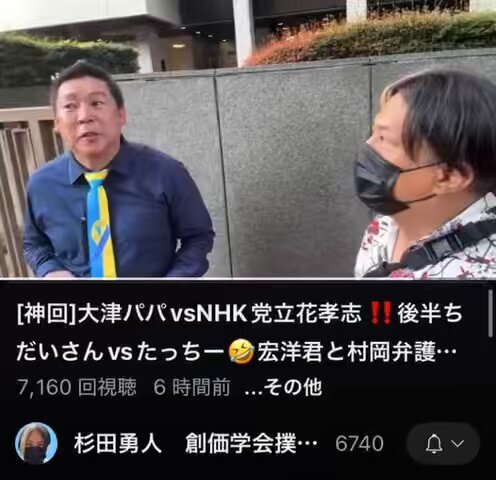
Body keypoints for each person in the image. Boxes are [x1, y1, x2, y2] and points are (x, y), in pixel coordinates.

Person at [23, 60, 214, 278]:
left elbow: (198, 236)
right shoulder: (41, 184)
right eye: (70, 106)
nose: (84, 116)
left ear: (121, 114)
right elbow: (34, 244)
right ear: (57, 122)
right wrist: (51, 271)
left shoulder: (166, 172)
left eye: (96, 103)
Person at [354, 68, 496, 279]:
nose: (368, 146)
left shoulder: (479, 280)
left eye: (384, 139)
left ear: (449, 176)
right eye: (373, 132)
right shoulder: (386, 224)